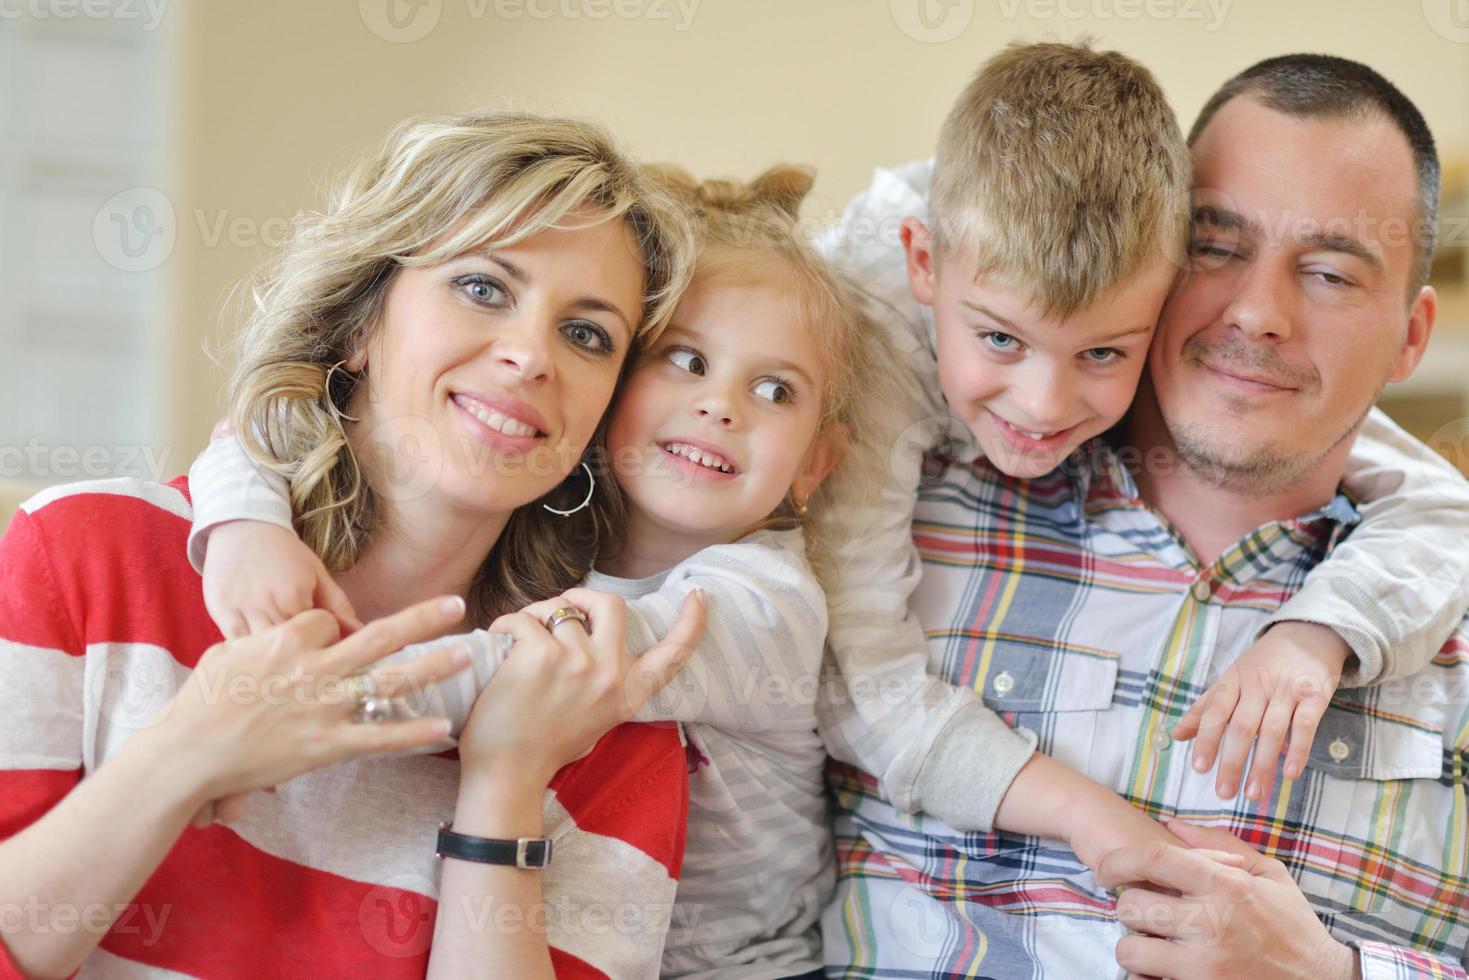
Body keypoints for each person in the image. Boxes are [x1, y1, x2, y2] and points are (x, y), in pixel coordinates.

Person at [0, 110, 708, 979]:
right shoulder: (86, 552)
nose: (531, 357)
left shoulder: (605, 715)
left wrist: (506, 783)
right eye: (483, 287)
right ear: (358, 323)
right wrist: (190, 750)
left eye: (586, 333)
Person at [823, 51, 1469, 977]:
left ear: (1411, 334)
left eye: (1328, 273)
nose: (1257, 314)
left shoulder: (1438, 587)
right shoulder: (901, 502)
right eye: (1215, 246)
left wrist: (1331, 974)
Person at [184, 163, 893, 979]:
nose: (721, 406)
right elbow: (259, 426)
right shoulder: (550, 521)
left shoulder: (763, 603)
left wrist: (316, 706)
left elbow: (530, 671)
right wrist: (244, 524)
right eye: (686, 363)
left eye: (775, 390)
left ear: (814, 465)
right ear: (608, 392)